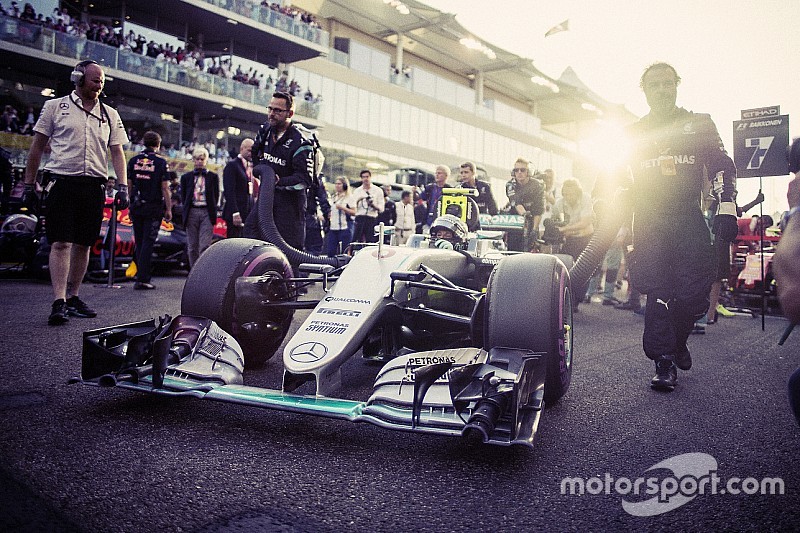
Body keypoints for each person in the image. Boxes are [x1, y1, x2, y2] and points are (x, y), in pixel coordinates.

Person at [621, 62, 737, 391]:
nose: (662, 90)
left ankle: (678, 342)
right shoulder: (633, 131)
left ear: (677, 85)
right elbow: (617, 175)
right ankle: (664, 363)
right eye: (654, 85)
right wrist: (614, 208)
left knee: (694, 293)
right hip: (648, 217)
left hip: (687, 215)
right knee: (658, 290)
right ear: (643, 90)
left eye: (667, 83)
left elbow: (720, 162)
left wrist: (726, 204)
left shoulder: (698, 123)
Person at [22, 59, 129, 325]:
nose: (99, 84)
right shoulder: (55, 107)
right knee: (60, 242)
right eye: (95, 79)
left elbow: (117, 152)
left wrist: (123, 185)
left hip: (94, 185)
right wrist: (28, 183)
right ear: (78, 79)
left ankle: (73, 296)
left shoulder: (110, 114)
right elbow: (37, 147)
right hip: (62, 182)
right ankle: (58, 301)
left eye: (102, 81)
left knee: (84, 244)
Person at [247, 91, 314, 251]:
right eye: (270, 109)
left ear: (290, 113)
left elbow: (304, 180)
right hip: (266, 197)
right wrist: (262, 170)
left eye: (277, 110)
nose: (271, 114)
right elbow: (255, 153)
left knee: (289, 251)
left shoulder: (301, 141)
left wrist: (279, 181)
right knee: (250, 232)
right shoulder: (265, 129)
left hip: (290, 205)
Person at [127, 131, 171, 290]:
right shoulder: (160, 162)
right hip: (153, 207)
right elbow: (165, 188)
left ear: (144, 143)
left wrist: (130, 204)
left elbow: (129, 185)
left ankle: (140, 275)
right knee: (148, 242)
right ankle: (143, 278)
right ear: (158, 144)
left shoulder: (133, 160)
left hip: (137, 206)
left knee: (139, 241)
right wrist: (169, 208)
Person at [180, 147, 219, 268]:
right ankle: (193, 272)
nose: (199, 162)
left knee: (204, 246)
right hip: (192, 211)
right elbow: (184, 196)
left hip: (207, 212)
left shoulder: (213, 177)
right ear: (193, 160)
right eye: (197, 159)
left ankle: (202, 272)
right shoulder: (186, 177)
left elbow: (216, 195)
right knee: (192, 247)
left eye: (202, 159)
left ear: (206, 160)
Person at [505, 157, 545, 251]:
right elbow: (516, 202)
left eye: (522, 170)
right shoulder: (510, 185)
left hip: (532, 221)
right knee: (513, 251)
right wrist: (524, 214)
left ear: (528, 172)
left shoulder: (538, 185)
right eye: (516, 170)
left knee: (532, 250)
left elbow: (538, 210)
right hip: (515, 222)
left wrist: (534, 229)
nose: (519, 172)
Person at [551, 178, 594, 260]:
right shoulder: (559, 203)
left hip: (586, 238)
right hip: (569, 240)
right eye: (565, 194)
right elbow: (557, 222)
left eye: (571, 194)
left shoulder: (586, 199)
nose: (568, 197)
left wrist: (565, 228)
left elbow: (585, 222)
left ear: (578, 193)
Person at [221, 138, 254, 238]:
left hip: (246, 211)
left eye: (253, 151)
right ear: (241, 149)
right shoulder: (232, 165)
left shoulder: (249, 167)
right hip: (235, 212)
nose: (251, 153)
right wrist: (235, 212)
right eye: (249, 150)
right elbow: (229, 191)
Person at [351, 169, 385, 243]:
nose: (365, 179)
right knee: (357, 240)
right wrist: (359, 200)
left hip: (371, 218)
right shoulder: (357, 191)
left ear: (370, 177)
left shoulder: (378, 190)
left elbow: (381, 208)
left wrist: (373, 205)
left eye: (367, 177)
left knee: (370, 240)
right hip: (360, 217)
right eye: (363, 177)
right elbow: (352, 206)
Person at [326, 176, 354, 256]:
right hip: (333, 227)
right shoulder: (334, 197)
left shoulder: (349, 197)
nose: (337, 186)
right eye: (336, 184)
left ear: (344, 185)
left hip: (344, 227)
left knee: (344, 251)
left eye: (339, 184)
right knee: (331, 251)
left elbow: (354, 212)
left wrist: (343, 208)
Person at [304, 172, 330, 254]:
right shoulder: (316, 176)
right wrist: (327, 219)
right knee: (313, 248)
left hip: (290, 217)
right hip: (308, 218)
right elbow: (323, 198)